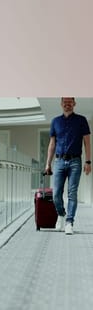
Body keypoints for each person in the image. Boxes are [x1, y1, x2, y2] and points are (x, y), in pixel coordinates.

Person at [44, 97, 91, 235]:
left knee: (72, 193)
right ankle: (61, 214)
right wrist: (48, 163)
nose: (67, 104)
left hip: (75, 161)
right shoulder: (55, 122)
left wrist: (88, 161)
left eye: (70, 102)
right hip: (58, 161)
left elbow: (87, 142)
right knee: (56, 194)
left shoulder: (81, 120)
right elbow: (52, 144)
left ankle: (69, 222)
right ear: (61, 104)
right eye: (65, 102)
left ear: (74, 104)